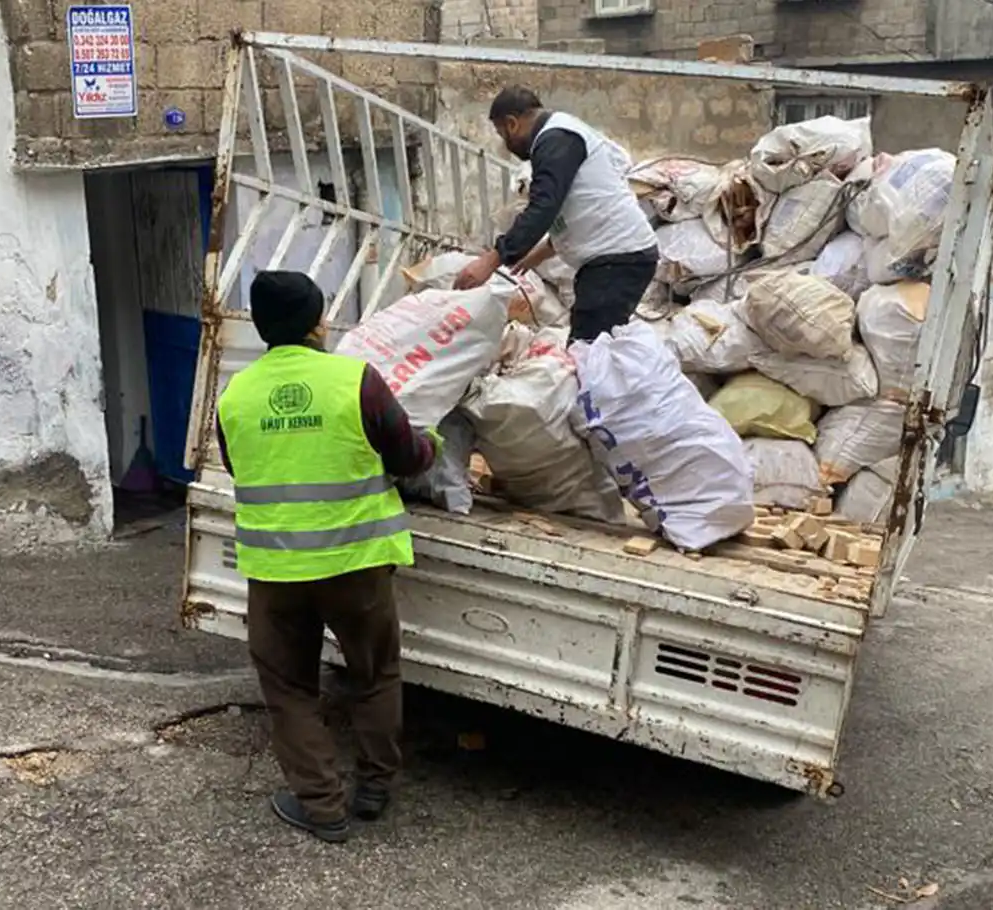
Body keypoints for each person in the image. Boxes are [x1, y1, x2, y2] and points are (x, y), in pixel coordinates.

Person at [214, 270, 439, 843]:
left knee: (289, 690)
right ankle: (374, 790)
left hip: (277, 572)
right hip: (356, 564)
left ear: (262, 328)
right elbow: (409, 458)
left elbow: (244, 470)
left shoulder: (234, 396)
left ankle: (321, 808)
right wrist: (433, 443)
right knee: (373, 675)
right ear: (319, 323)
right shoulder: (355, 380)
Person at [454, 85, 659, 342]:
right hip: (616, 259)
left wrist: (491, 260)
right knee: (596, 348)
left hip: (617, 260)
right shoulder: (561, 136)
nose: (505, 144)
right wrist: (540, 253)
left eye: (501, 133)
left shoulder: (554, 140)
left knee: (588, 350)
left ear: (512, 123)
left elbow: (543, 208)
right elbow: (579, 207)